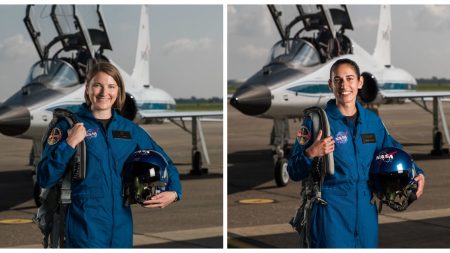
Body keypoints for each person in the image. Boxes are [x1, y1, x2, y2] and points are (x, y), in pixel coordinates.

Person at [36, 62, 182, 248]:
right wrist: (69, 143)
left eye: (111, 86)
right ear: (88, 89)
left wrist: (174, 191)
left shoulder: (130, 130)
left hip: (121, 225)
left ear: (119, 91)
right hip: (84, 225)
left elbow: (165, 162)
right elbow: (44, 177)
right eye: (97, 85)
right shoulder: (67, 126)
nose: (104, 92)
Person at [287, 58, 425, 248]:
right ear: (330, 85)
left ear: (360, 82)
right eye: (338, 80)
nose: (344, 85)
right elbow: (293, 170)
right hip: (330, 215)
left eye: (350, 79)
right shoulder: (315, 122)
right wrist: (311, 153)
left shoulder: (372, 121)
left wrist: (418, 172)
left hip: (366, 215)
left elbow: (393, 149)